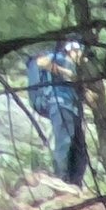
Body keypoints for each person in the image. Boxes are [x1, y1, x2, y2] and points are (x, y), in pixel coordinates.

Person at [26, 42, 87, 182]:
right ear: (71, 50)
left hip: (71, 108)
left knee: (79, 149)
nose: (83, 57)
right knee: (64, 143)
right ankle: (62, 179)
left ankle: (75, 183)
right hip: (59, 105)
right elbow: (41, 62)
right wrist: (66, 72)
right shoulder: (59, 57)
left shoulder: (72, 66)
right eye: (80, 52)